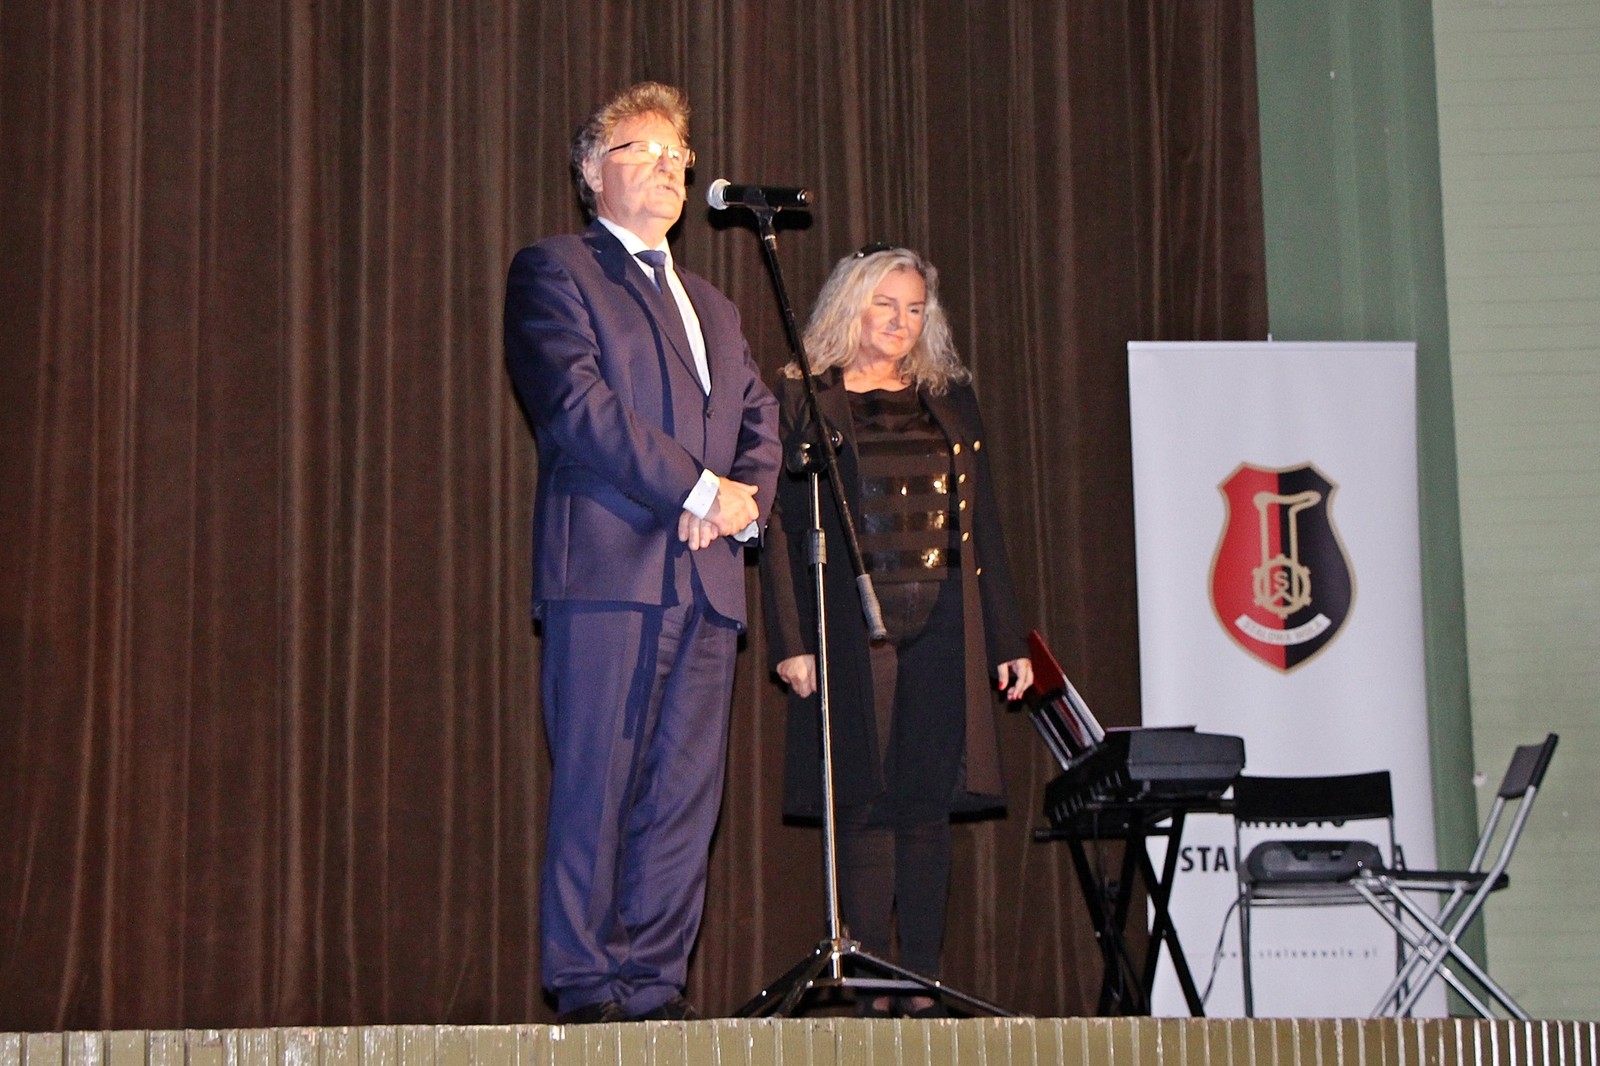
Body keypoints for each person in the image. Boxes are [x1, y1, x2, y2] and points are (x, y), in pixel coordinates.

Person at [503, 81, 781, 1024]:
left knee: (683, 802)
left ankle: (654, 989)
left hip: (708, 585)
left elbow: (761, 425)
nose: (667, 168)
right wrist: (699, 490)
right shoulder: (555, 272)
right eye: (642, 150)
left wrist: (741, 505)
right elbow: (578, 407)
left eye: (678, 156)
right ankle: (589, 988)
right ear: (591, 171)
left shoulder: (716, 306)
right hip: (607, 576)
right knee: (599, 788)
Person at [761, 244, 1032, 1017]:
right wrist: (791, 641)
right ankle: (873, 983)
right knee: (866, 798)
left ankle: (920, 984)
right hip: (855, 622)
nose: (900, 322)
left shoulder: (949, 397)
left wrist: (1007, 640)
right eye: (885, 304)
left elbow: (985, 527)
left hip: (942, 617)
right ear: (851, 306)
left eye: (914, 309)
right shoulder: (807, 398)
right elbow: (779, 527)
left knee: (925, 802)